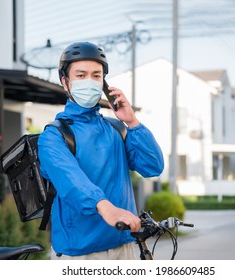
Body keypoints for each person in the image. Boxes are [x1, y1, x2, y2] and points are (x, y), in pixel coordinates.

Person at [37, 41, 164, 260]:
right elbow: (73, 182)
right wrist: (105, 207)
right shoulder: (54, 136)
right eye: (81, 75)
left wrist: (132, 122)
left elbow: (153, 166)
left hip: (123, 244)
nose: (90, 81)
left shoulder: (116, 128)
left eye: (96, 76)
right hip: (79, 253)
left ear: (104, 83)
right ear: (65, 82)